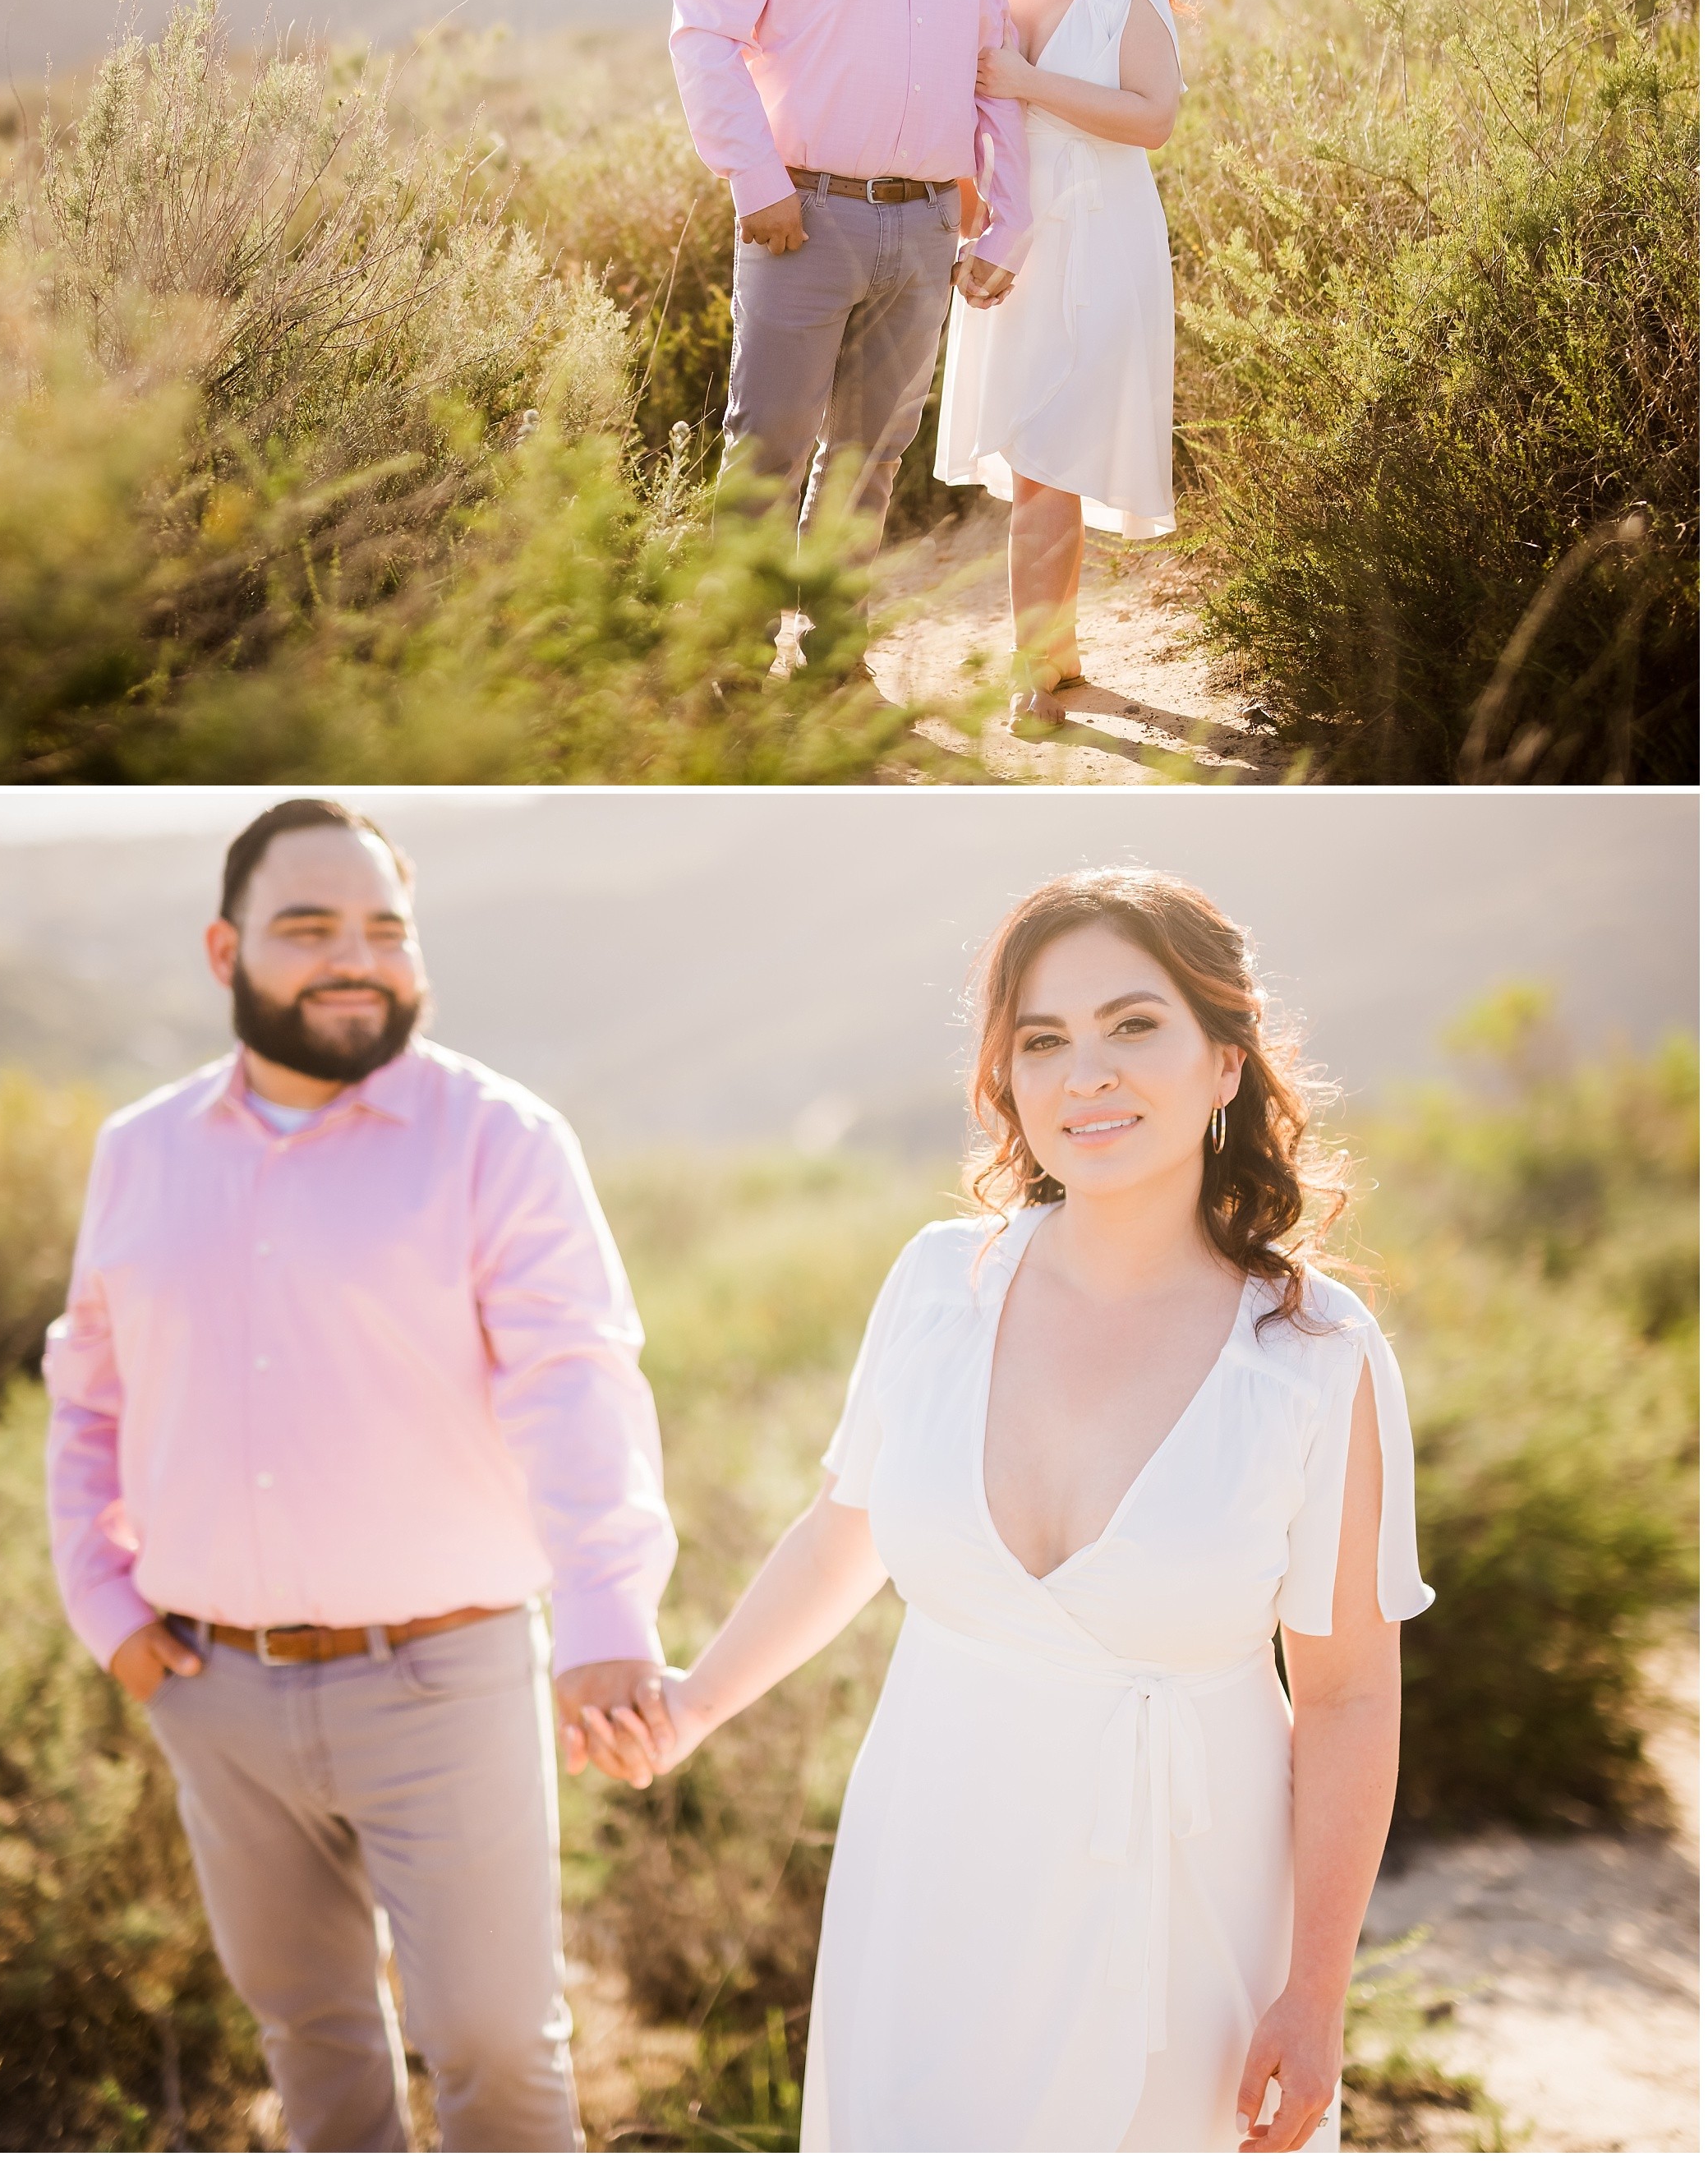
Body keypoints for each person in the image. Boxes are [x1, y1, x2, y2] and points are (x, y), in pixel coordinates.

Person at [582, 868, 1432, 2155]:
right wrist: (694, 1704)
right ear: (1010, 1083)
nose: (1086, 1072)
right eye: (1044, 1041)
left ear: (1223, 1062)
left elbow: (1353, 1693)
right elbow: (841, 1533)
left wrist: (1315, 1993)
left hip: (1185, 1902)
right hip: (931, 1856)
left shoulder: (1317, 1352)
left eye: (1134, 1024)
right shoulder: (939, 1285)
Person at [43, 798, 676, 2154]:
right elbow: (86, 1390)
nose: (356, 956)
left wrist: (609, 1618)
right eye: (309, 926)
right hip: (211, 1685)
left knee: (500, 2055)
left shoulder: (501, 1137)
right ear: (225, 950)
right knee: (313, 2045)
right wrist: (107, 1605)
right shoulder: (136, 1151)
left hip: (444, 1680)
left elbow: (576, 1385)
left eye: (385, 927)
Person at [670, 0, 1029, 546]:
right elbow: (703, 35)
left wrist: (1005, 220)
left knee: (869, 462)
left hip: (926, 231)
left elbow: (994, 88)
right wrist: (755, 182)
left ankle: (835, 667)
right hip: (802, 218)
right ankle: (737, 666)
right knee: (767, 454)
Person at [932, 0, 1186, 726]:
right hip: (1012, 251)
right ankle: (1057, 657)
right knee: (1037, 458)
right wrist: (972, 232)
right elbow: (969, 126)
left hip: (1100, 245)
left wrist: (1029, 81)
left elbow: (1153, 119)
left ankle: (1033, 675)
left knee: (1048, 456)